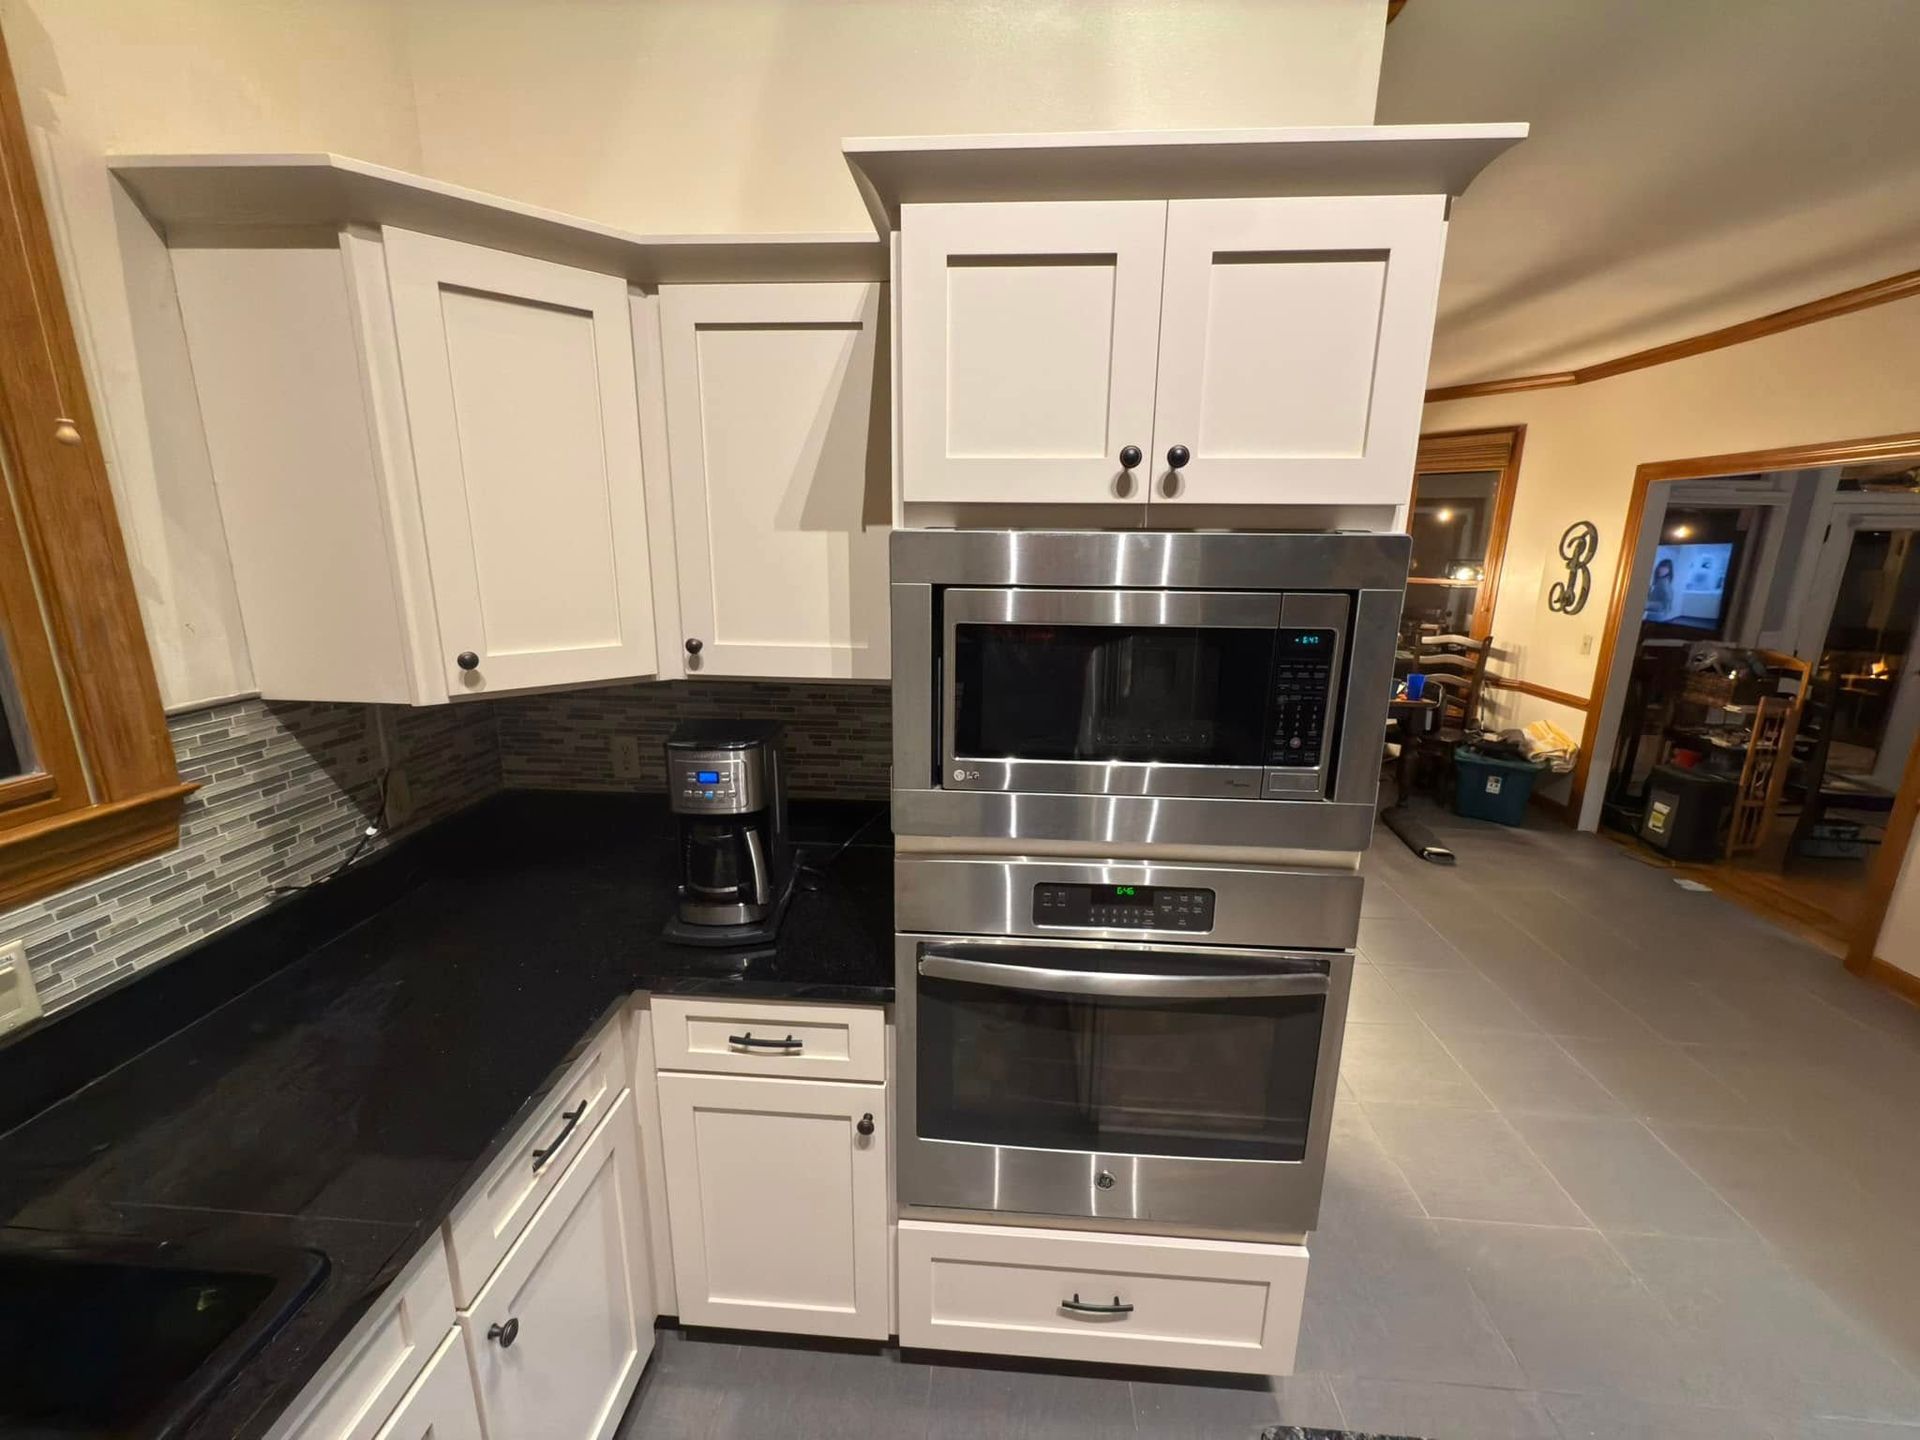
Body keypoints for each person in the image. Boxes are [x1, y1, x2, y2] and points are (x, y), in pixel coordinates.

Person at [1645, 555, 1675, 622]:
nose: (1661, 569)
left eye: (1666, 568)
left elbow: (1665, 605)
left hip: (1656, 617)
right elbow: (1655, 597)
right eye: (1661, 566)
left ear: (1669, 571)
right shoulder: (1659, 581)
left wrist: (1647, 604)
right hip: (1653, 615)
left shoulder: (1663, 582)